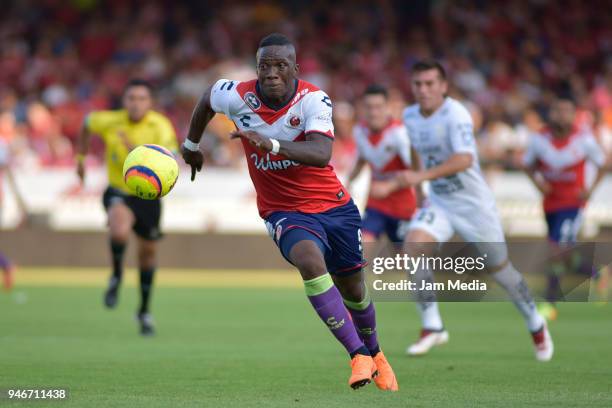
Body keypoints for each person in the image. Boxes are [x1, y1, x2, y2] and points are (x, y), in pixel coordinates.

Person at [181, 33, 398, 390]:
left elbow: (321, 153)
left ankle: (377, 355)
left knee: (355, 289)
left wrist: (273, 144)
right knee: (310, 261)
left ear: (295, 69)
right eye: (265, 66)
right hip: (283, 211)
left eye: (281, 66)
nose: (271, 73)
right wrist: (191, 145)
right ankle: (357, 355)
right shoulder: (236, 95)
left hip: (335, 207)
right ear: (257, 68)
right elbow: (206, 99)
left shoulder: (313, 100)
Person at [375, 60, 553, 361]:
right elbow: (417, 150)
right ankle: (432, 326)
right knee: (412, 248)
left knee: (501, 270)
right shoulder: (410, 115)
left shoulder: (455, 114)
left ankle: (536, 323)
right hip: (441, 202)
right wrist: (420, 194)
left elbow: (465, 160)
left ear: (443, 86)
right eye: (418, 84)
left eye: (430, 83)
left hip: (474, 206)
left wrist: (419, 178)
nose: (423, 90)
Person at [76, 79, 178, 336]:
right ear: (124, 101)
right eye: (131, 98)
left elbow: (171, 157)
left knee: (147, 255)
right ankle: (116, 275)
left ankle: (144, 311)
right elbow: (87, 125)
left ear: (150, 102)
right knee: (119, 231)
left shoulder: (159, 125)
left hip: (148, 197)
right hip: (118, 190)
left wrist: (139, 153)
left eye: (142, 98)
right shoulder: (110, 120)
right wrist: (81, 158)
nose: (136, 103)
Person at [523, 97, 607, 320]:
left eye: (566, 111)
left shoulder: (584, 139)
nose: (561, 115)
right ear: (550, 113)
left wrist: (590, 190)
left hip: (572, 204)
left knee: (556, 252)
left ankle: (550, 303)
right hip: (550, 204)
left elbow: (604, 163)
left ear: (573, 114)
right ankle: (597, 274)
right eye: (557, 110)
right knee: (564, 255)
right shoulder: (539, 139)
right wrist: (539, 184)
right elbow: (527, 165)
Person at [347, 84, 417, 245]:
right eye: (369, 107)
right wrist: (347, 184)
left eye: (378, 107)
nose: (373, 112)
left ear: (387, 107)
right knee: (362, 246)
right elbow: (361, 160)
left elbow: (417, 172)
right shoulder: (359, 131)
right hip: (375, 205)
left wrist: (389, 186)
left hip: (403, 208)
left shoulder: (399, 134)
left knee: (406, 262)